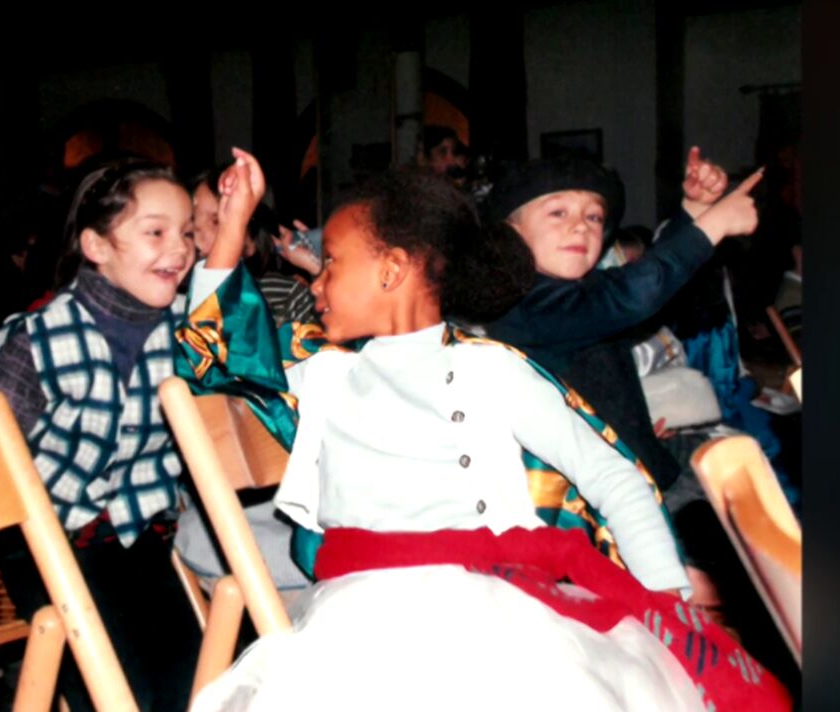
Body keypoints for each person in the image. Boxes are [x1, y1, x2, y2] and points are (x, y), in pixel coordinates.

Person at [178, 166, 789, 711]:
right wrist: (232, 227)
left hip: (495, 605)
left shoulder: (488, 367)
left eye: (332, 262)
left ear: (391, 269)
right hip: (360, 619)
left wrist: (665, 603)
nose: (315, 282)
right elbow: (220, 350)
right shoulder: (323, 372)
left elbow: (610, 474)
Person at [0, 151, 267, 711]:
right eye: (155, 232)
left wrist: (233, 222)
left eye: (186, 233)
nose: (180, 248)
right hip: (46, 546)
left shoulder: (182, 329)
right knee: (126, 696)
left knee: (205, 692)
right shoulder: (40, 338)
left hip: (139, 544)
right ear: (96, 246)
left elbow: (224, 321)